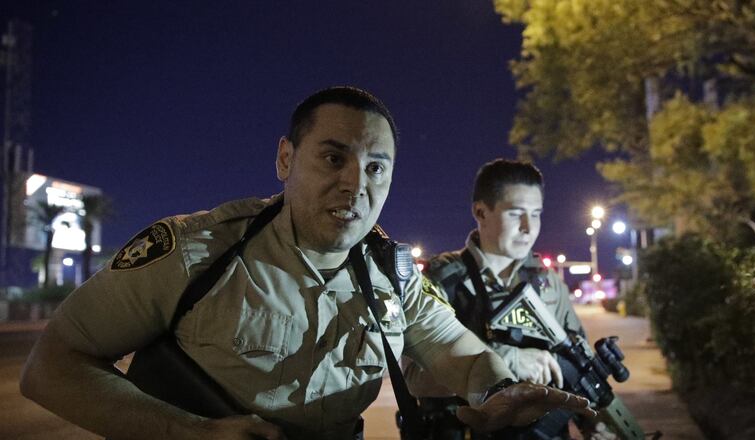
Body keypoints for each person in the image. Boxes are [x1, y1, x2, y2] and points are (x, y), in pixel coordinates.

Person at [19, 87, 593, 440]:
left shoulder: (393, 277)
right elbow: (50, 365)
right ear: (285, 158)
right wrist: (190, 432)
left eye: (376, 168)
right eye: (334, 157)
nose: (355, 183)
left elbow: (464, 358)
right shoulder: (201, 251)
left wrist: (495, 393)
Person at [404, 159, 615, 439]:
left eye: (536, 214)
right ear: (481, 212)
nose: (529, 227)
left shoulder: (548, 282)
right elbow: (414, 378)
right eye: (516, 214)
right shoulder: (442, 279)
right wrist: (510, 361)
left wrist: (592, 422)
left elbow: (576, 366)